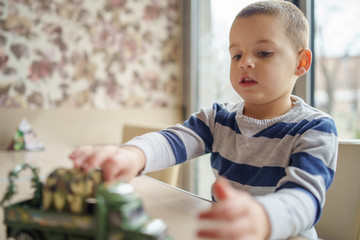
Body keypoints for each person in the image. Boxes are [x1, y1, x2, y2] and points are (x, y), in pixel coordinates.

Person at [69, 1, 338, 239]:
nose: (245, 62)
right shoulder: (218, 118)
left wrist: (263, 218)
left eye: (263, 53)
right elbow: (171, 140)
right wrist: (132, 155)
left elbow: (306, 198)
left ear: (301, 62)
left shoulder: (315, 129)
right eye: (236, 54)